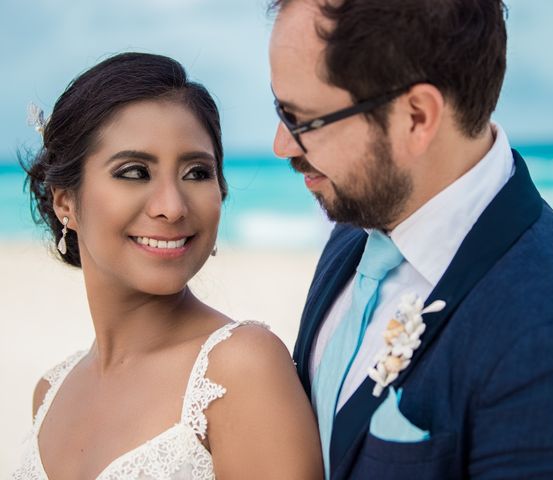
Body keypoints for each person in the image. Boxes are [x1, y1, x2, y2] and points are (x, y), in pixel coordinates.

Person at [268, 0, 553, 478]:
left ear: (417, 117)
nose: (282, 145)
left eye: (302, 119)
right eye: (280, 107)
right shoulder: (353, 230)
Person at [14, 52, 323, 480]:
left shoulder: (239, 368)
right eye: (135, 171)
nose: (172, 207)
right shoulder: (50, 392)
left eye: (197, 173)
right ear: (65, 199)